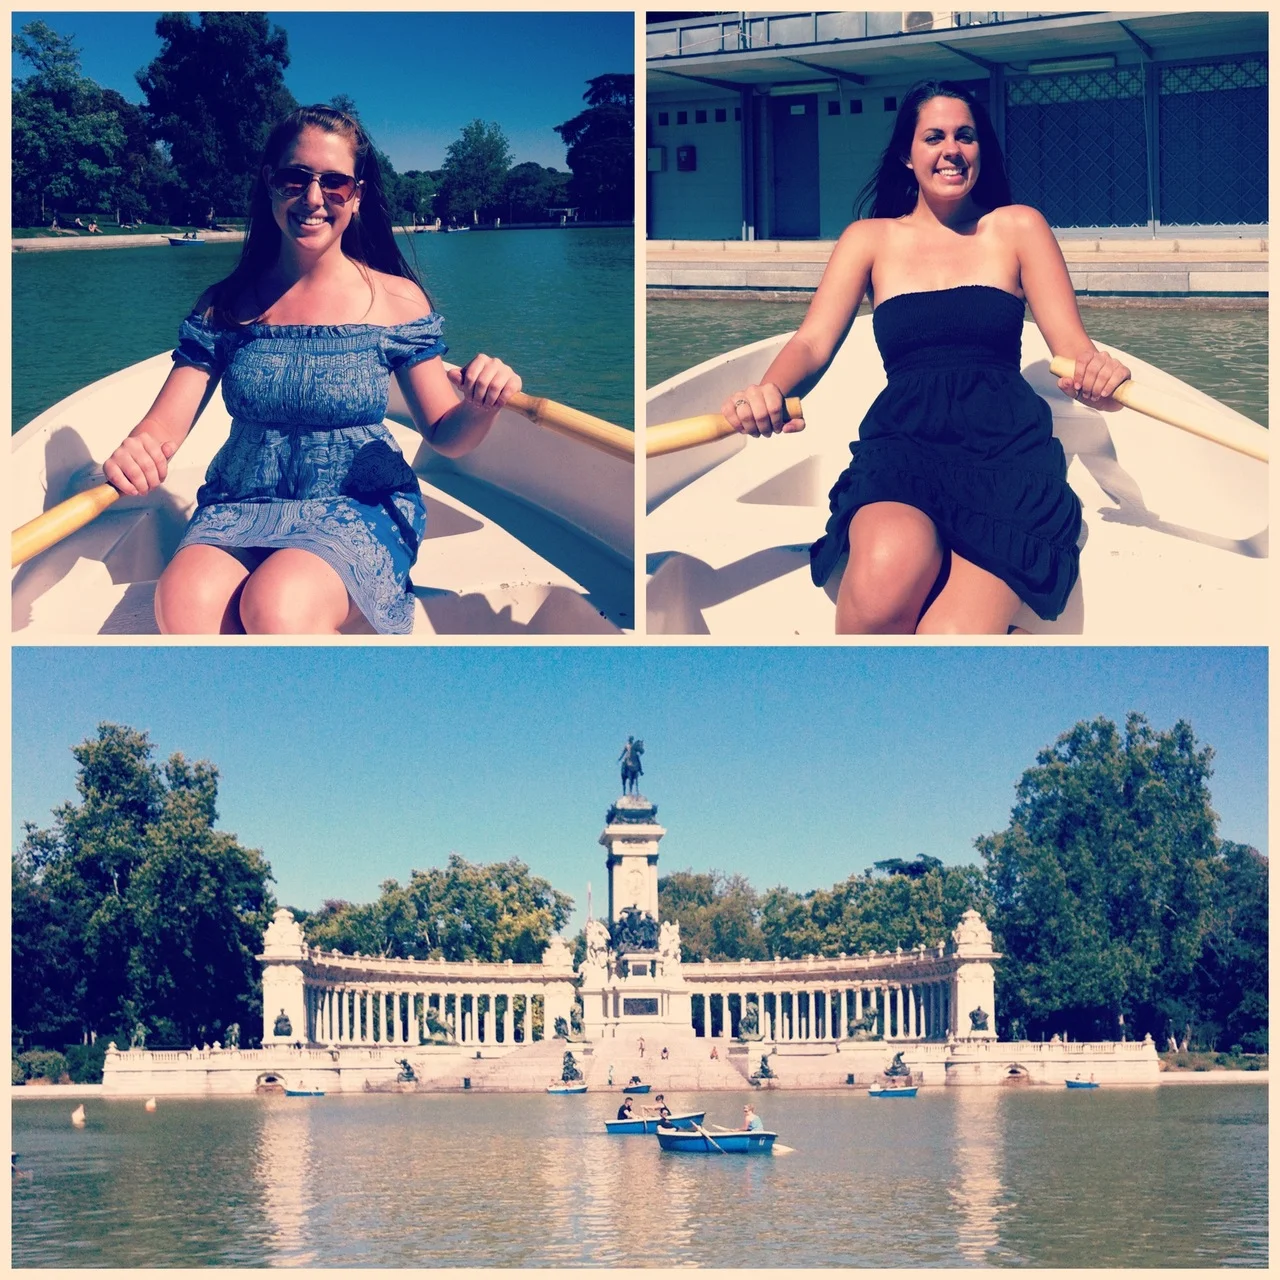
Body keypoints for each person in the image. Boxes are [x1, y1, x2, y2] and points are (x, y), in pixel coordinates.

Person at [721, 80, 1130, 636]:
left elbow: (1074, 351)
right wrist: (769, 389)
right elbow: (811, 342)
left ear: (981, 149)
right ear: (906, 156)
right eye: (933, 136)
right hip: (904, 443)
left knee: (954, 639)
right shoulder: (868, 239)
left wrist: (1098, 376)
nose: (951, 150)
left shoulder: (1018, 227)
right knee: (881, 590)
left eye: (965, 136)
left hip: (1006, 454)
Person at [102, 105, 521, 635]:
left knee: (278, 607)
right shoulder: (223, 306)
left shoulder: (396, 301)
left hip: (356, 506)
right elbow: (162, 427)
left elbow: (445, 432)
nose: (314, 198)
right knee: (184, 608)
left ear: (358, 194)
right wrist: (138, 447)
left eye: (336, 183)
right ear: (269, 183)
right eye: (295, 178)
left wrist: (482, 408)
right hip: (241, 501)